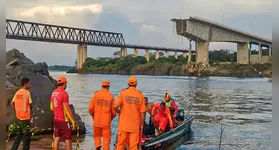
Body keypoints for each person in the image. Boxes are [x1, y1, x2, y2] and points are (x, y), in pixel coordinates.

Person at [114, 76, 146, 150]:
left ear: (128, 84)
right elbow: (142, 113)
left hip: (123, 125)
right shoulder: (140, 95)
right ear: (136, 84)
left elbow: (115, 106)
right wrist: (142, 125)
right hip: (134, 126)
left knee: (120, 144)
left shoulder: (123, 93)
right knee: (133, 146)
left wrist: (119, 112)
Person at [89, 80, 116, 150]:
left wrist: (94, 116)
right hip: (106, 122)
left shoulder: (95, 95)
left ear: (102, 86)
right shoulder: (111, 96)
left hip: (97, 120)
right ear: (108, 87)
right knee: (106, 140)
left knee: (96, 136)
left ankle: (98, 145)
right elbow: (114, 112)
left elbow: (90, 109)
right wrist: (110, 118)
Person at [50, 76, 76, 150]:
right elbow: (67, 109)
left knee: (56, 138)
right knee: (68, 140)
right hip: (63, 120)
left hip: (56, 119)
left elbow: (51, 107)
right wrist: (73, 121)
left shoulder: (53, 93)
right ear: (64, 84)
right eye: (66, 84)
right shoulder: (64, 94)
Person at [10, 78, 33, 150]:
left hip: (18, 118)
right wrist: (29, 109)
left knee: (19, 135)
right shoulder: (27, 93)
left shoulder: (17, 92)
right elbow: (30, 104)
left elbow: (11, 103)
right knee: (26, 137)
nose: (30, 85)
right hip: (25, 118)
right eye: (29, 83)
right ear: (25, 84)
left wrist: (16, 111)